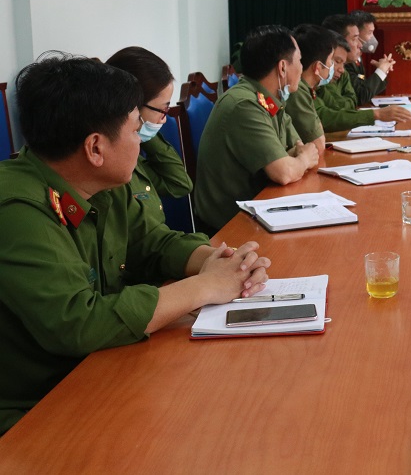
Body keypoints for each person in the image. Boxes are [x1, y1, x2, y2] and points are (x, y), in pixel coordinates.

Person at [0, 53, 269, 435]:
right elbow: (78, 322)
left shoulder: (100, 183)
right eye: (135, 129)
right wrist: (205, 287)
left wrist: (220, 261)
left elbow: (153, 242)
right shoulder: (17, 209)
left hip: (99, 371)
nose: (141, 143)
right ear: (95, 148)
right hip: (35, 409)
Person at [194, 26, 320, 233]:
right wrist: (302, 160)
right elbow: (285, 171)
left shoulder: (270, 99)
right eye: (299, 60)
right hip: (229, 228)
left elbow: (300, 147)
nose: (301, 67)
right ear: (282, 67)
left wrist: (295, 159)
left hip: (260, 211)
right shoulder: (244, 105)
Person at [105, 47, 202, 231]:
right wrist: (138, 125)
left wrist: (141, 129)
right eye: (163, 110)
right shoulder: (112, 167)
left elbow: (180, 183)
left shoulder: (136, 159)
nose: (164, 119)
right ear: (132, 106)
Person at [317, 16, 411, 128]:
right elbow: (359, 97)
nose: (360, 44)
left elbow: (353, 100)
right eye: (354, 39)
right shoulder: (324, 74)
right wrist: (380, 71)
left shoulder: (349, 66)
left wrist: (382, 72)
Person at [285, 24, 342, 157]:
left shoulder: (306, 88)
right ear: (318, 67)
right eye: (331, 60)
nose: (332, 66)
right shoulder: (297, 91)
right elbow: (318, 144)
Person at [343, 10, 394, 103]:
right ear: (356, 33)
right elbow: (361, 95)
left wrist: (382, 70)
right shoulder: (346, 59)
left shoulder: (358, 56)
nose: (372, 37)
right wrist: (381, 70)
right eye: (369, 33)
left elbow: (367, 89)